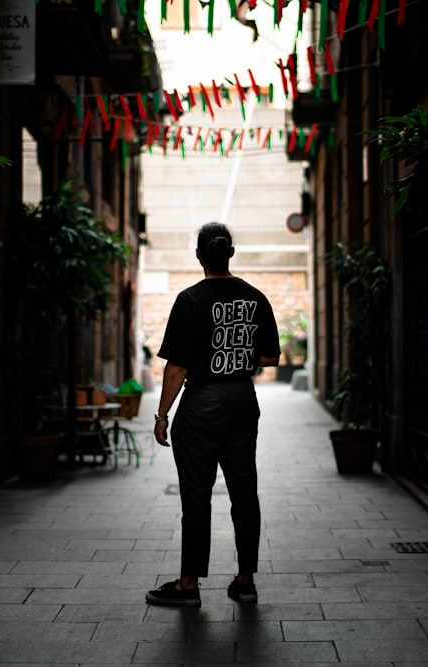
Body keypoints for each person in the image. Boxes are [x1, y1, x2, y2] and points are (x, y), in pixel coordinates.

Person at [145, 222, 281, 608]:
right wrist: (239, 354)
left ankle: (189, 584)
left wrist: (161, 414)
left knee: (196, 495)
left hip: (202, 404)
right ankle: (245, 579)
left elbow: (177, 367)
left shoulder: (190, 300)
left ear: (200, 256)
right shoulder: (255, 298)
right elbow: (271, 357)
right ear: (230, 253)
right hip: (241, 400)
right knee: (244, 491)